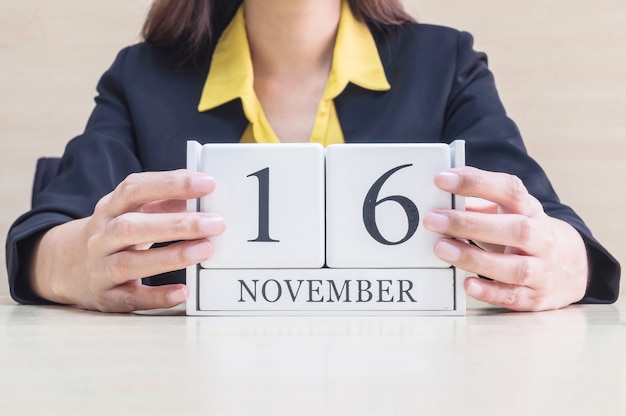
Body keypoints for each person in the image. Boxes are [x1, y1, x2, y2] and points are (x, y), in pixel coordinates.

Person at [5, 0, 620, 313]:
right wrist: (68, 264)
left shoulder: (446, 67)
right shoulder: (141, 79)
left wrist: (567, 263)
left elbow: (549, 229)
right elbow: (48, 236)